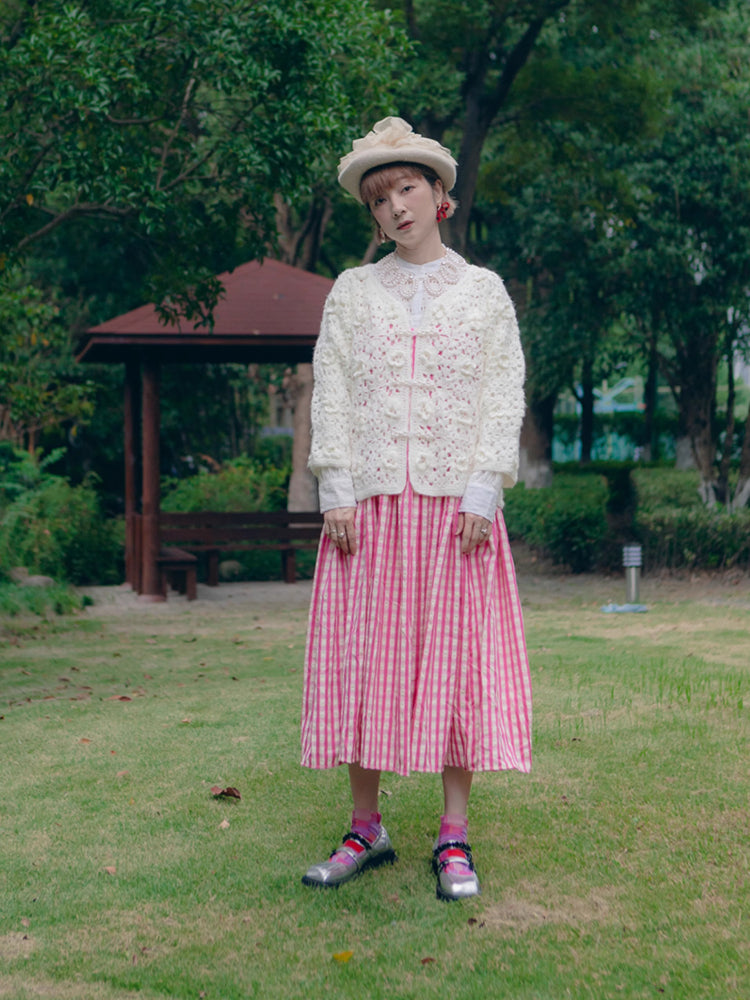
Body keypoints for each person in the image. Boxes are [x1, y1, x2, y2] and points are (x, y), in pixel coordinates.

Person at [300, 117, 531, 901]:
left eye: (407, 189)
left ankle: (453, 835)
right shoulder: (352, 293)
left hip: (454, 511)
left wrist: (483, 486)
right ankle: (366, 827)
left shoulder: (484, 293)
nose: (394, 207)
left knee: (456, 666)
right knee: (367, 663)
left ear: (441, 197)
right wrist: (334, 485)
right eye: (379, 198)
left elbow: (504, 395)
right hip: (368, 510)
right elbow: (331, 389)